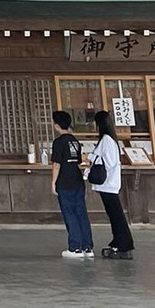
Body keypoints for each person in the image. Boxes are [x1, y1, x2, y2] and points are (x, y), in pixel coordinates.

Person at [87, 110, 135, 260]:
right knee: (115, 215)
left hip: (108, 184)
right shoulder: (111, 139)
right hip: (110, 183)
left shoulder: (106, 140)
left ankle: (124, 245)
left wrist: (91, 156)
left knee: (116, 215)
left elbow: (108, 161)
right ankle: (119, 242)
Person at [51, 110, 93, 259]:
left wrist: (53, 183)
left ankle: (75, 247)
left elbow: (57, 164)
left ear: (56, 126)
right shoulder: (74, 141)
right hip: (77, 179)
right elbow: (77, 161)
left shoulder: (58, 142)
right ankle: (87, 247)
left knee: (69, 213)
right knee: (81, 213)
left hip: (65, 181)